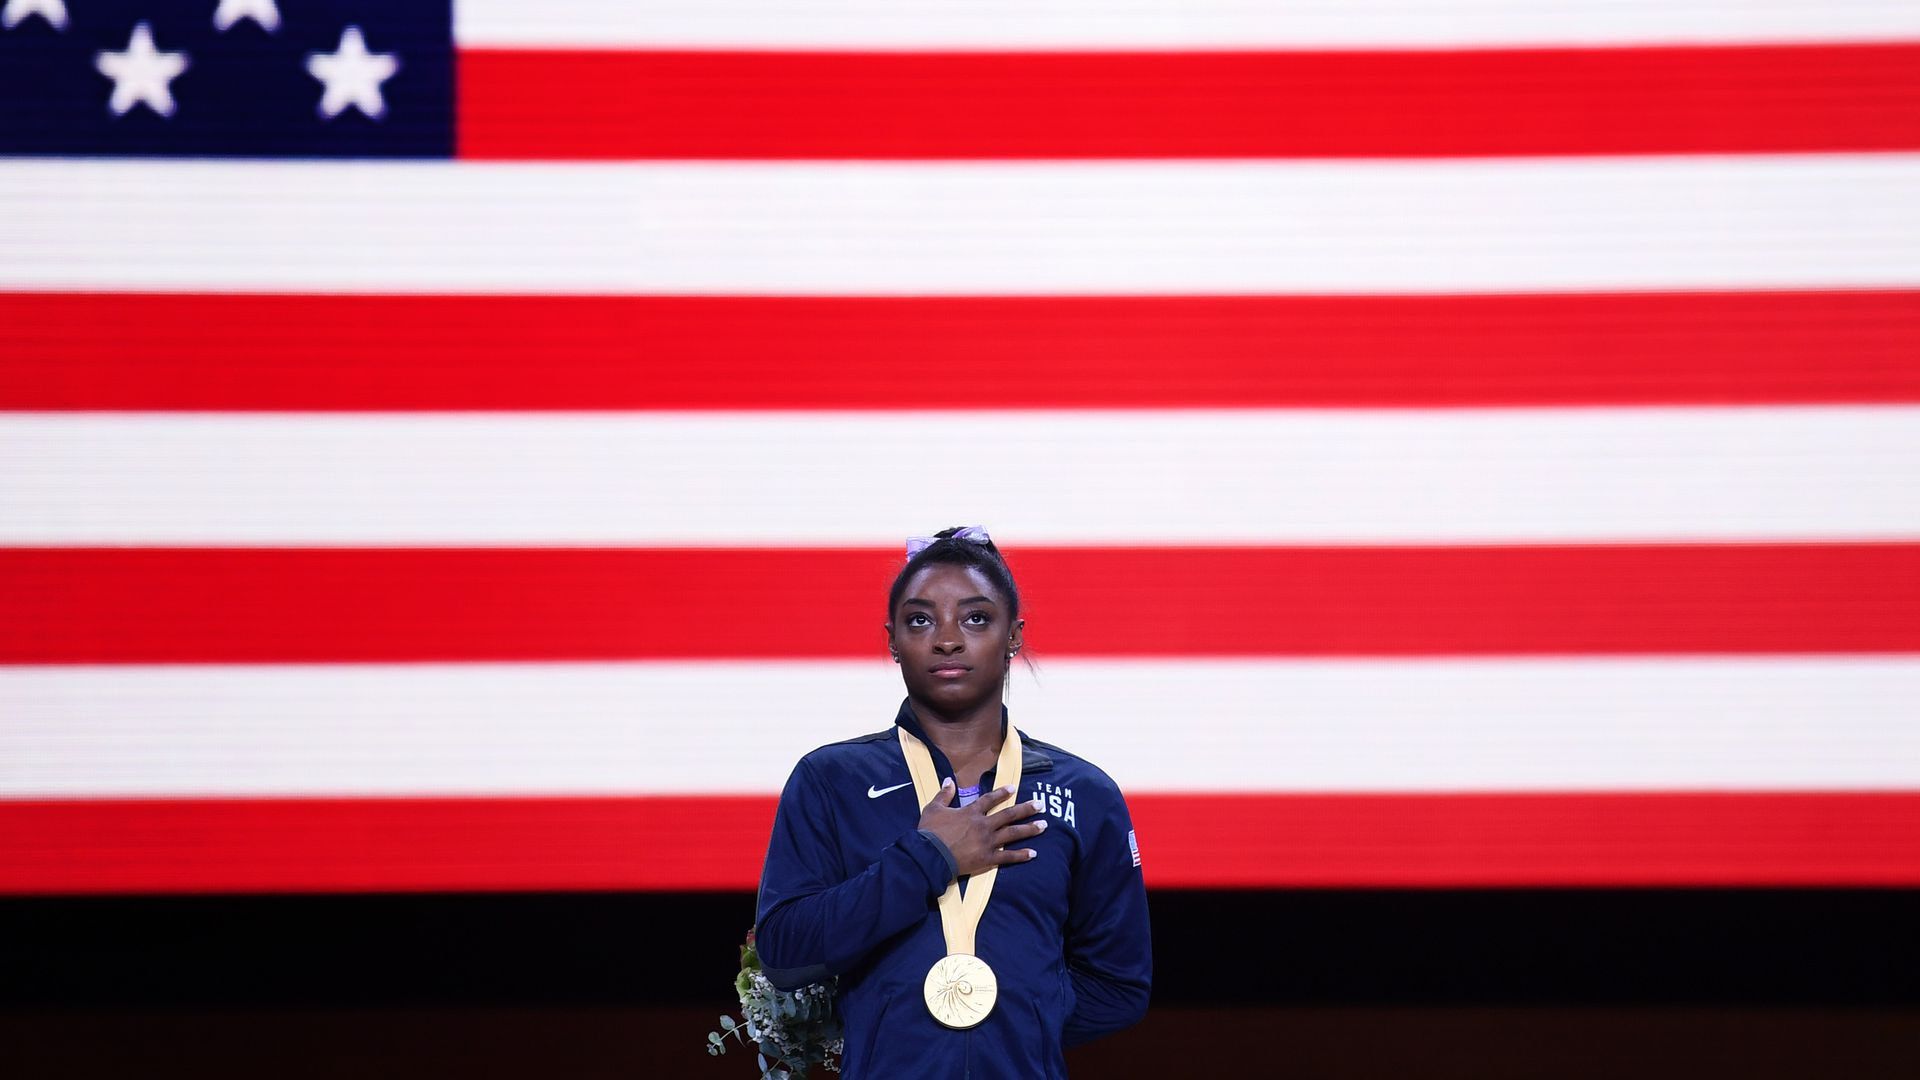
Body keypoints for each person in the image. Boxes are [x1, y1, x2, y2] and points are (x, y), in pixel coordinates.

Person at [754, 525, 1152, 1078]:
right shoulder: (831, 779)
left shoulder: (1086, 793)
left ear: (1013, 636)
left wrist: (1020, 1015)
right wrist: (928, 858)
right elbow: (785, 951)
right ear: (892, 639)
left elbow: (1119, 986)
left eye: (975, 618)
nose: (947, 639)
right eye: (920, 620)